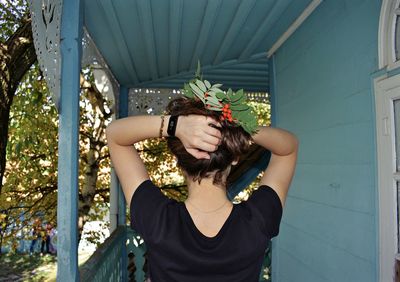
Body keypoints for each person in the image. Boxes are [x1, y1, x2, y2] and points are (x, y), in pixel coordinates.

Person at [106, 79, 298, 281]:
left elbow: (116, 135)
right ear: (234, 157)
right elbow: (288, 148)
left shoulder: (157, 219)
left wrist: (176, 126)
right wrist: (239, 130)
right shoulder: (259, 219)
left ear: (177, 160)